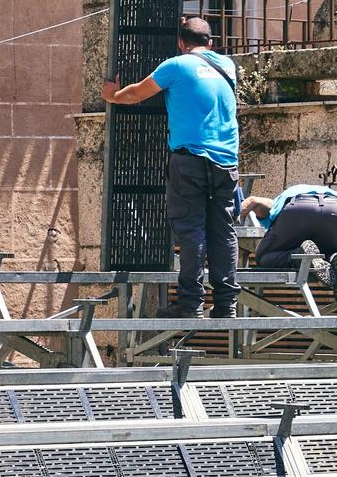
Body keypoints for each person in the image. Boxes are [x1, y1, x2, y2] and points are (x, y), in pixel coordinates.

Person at [102, 16, 241, 318]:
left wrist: (112, 95)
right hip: (227, 161)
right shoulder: (228, 66)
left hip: (190, 159)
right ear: (211, 43)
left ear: (180, 43)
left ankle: (191, 303)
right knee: (224, 231)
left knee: (191, 229)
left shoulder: (176, 66)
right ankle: (227, 304)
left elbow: (137, 93)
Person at [243, 182, 337, 310]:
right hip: (336, 208)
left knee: (263, 258)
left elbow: (252, 201)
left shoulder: (278, 202)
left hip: (297, 208)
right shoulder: (322, 198)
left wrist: (233, 221)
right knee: (330, 251)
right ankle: (336, 257)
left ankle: (301, 255)